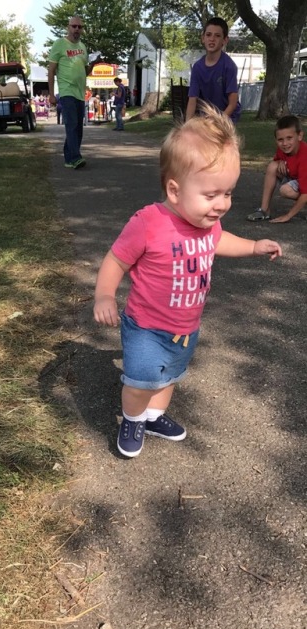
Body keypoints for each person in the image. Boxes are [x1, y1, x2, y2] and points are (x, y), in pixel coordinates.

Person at [94, 104, 281, 458]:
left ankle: (153, 416)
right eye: (211, 195)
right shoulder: (149, 223)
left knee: (169, 378)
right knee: (140, 382)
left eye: (228, 193)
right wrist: (104, 295)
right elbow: (116, 260)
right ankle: (132, 418)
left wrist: (254, 246)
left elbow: (220, 242)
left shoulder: (207, 224)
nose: (222, 204)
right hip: (147, 327)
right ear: (175, 190)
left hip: (186, 327)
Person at [48, 16, 100, 169]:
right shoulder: (59, 44)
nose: (77, 29)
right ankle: (76, 157)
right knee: (71, 125)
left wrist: (93, 65)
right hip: (66, 91)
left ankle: (68, 158)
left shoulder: (83, 47)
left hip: (79, 92)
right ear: (68, 27)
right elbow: (51, 71)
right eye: (74, 26)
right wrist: (51, 94)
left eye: (80, 27)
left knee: (78, 127)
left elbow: (85, 72)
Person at [247, 114, 307, 223]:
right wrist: (280, 161)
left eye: (289, 138)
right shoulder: (284, 149)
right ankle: (264, 210)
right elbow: (277, 160)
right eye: (280, 139)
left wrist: (288, 216)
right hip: (297, 179)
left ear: (300, 136)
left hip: (304, 185)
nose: (285, 143)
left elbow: (305, 193)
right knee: (273, 166)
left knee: (286, 190)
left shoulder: (304, 156)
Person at [186, 17, 241, 123]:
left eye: (217, 36)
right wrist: (187, 126)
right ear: (203, 38)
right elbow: (192, 100)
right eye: (208, 35)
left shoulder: (229, 66)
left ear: (225, 40)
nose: (212, 39)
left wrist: (218, 121)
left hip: (226, 117)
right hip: (206, 116)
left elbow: (233, 103)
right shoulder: (197, 67)